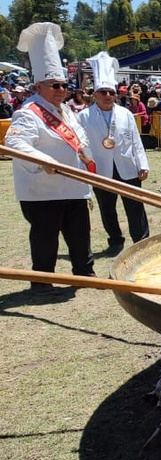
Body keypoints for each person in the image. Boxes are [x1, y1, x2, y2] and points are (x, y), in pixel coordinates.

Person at [4, 23, 96, 292]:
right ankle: (42, 281)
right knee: (45, 238)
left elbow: (81, 137)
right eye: (54, 85)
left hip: (75, 187)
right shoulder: (28, 112)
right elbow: (15, 142)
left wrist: (86, 153)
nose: (60, 89)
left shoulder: (66, 111)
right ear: (38, 86)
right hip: (43, 191)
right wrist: (44, 161)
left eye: (63, 85)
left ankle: (85, 273)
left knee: (80, 234)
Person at [78, 52, 150, 256]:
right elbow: (81, 145)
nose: (108, 95)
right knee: (107, 209)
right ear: (95, 94)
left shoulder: (125, 113)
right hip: (101, 169)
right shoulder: (84, 116)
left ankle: (142, 240)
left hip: (128, 167)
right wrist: (86, 169)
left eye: (111, 92)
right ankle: (115, 241)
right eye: (103, 92)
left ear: (115, 94)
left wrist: (143, 165)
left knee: (135, 206)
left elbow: (136, 141)